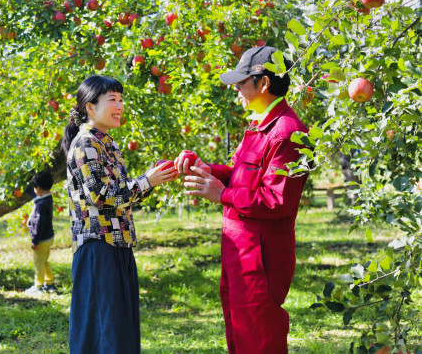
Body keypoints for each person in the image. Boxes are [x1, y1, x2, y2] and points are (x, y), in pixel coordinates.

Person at [177, 46, 309, 353]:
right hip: (240, 250)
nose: (236, 88)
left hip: (261, 255)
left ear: (263, 83)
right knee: (239, 335)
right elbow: (239, 172)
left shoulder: (286, 132)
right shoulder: (260, 125)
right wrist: (207, 169)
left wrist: (221, 194)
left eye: (241, 81)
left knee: (260, 339)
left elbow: (278, 200)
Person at [62, 75, 178, 354]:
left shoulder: (108, 144)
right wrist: (146, 181)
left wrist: (152, 180)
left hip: (119, 244)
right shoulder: (86, 144)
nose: (120, 105)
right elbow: (101, 195)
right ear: (90, 107)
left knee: (119, 330)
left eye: (121, 99)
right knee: (103, 333)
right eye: (112, 99)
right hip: (98, 247)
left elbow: (121, 198)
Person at [24, 171, 57, 294]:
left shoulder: (41, 205)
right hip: (48, 237)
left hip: (42, 240)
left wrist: (35, 241)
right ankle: (50, 283)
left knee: (39, 263)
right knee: (44, 261)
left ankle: (38, 286)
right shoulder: (47, 198)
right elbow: (36, 196)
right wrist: (27, 189)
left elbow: (39, 224)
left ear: (38, 188)